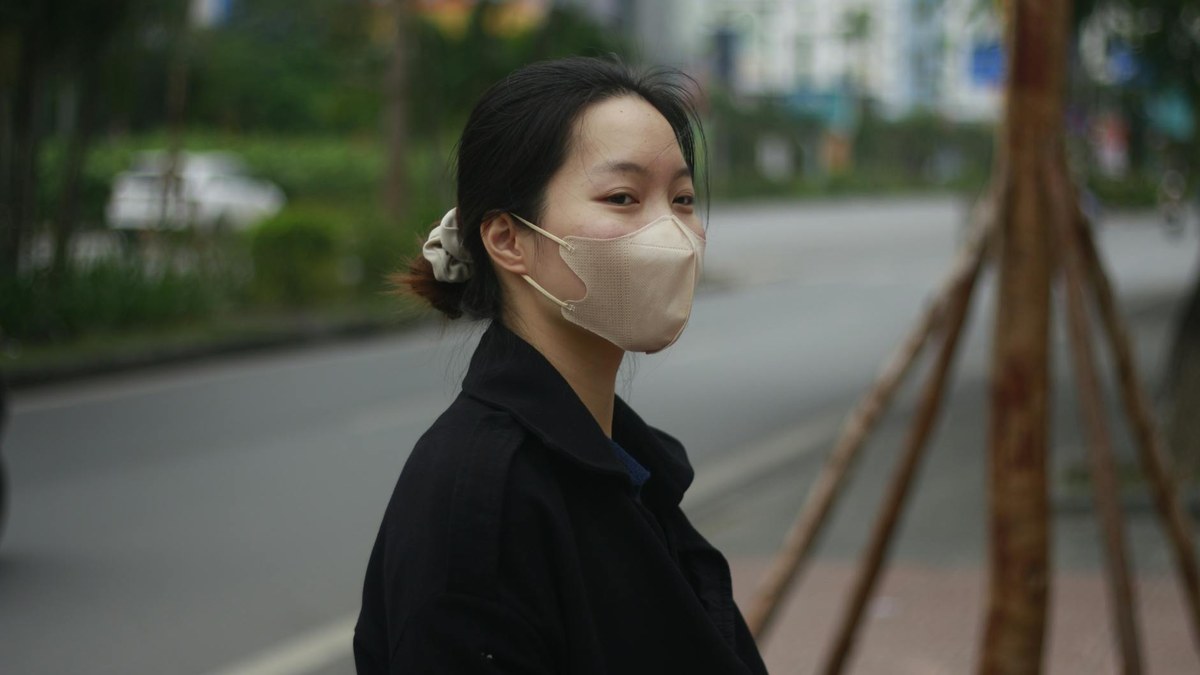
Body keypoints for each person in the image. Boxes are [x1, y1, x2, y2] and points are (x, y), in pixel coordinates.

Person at [353, 57, 767, 674]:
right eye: (623, 197)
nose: (672, 232)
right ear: (507, 239)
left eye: (681, 199)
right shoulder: (483, 501)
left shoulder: (627, 463)